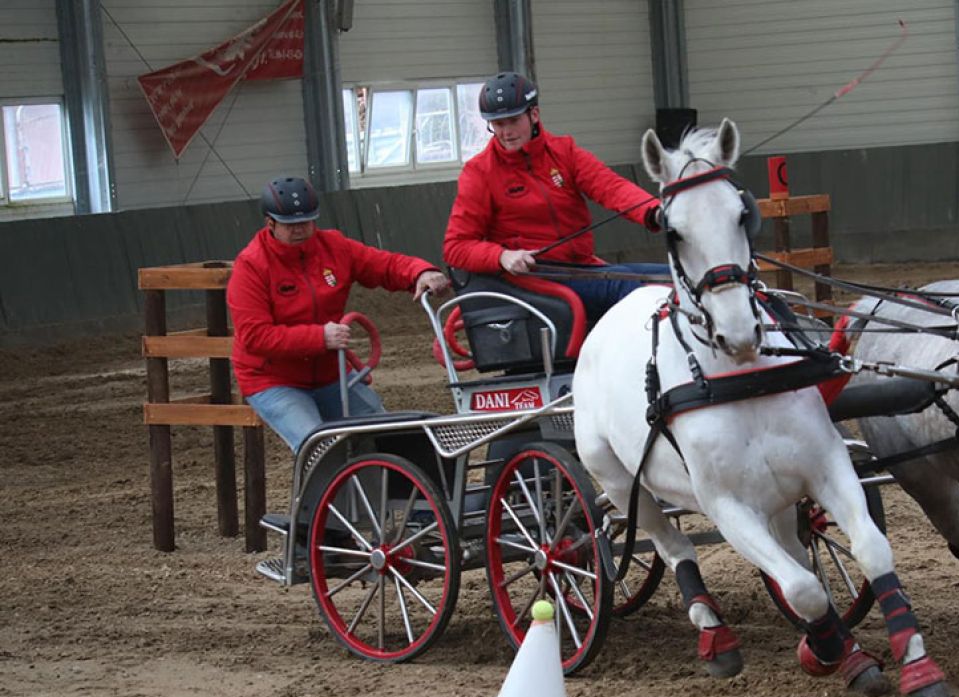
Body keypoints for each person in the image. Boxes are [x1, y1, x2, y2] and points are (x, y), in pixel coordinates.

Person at [228, 175, 452, 452]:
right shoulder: (251, 265)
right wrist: (319, 337)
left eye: (306, 222)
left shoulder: (334, 247)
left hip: (331, 372)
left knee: (383, 436)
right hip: (274, 380)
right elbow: (255, 336)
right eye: (290, 225)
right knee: (319, 447)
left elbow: (383, 264)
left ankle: (381, 492)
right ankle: (322, 495)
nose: (299, 230)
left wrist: (420, 272)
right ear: (270, 223)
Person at [443, 71, 670, 322]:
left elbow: (610, 187)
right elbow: (456, 247)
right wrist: (502, 256)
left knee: (673, 277)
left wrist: (654, 211)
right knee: (632, 292)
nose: (506, 132)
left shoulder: (564, 152)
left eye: (513, 120)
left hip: (581, 267)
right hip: (533, 277)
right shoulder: (479, 172)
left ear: (534, 115)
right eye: (498, 124)